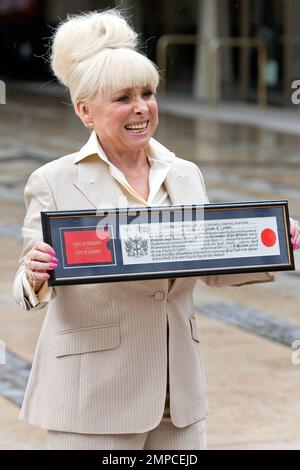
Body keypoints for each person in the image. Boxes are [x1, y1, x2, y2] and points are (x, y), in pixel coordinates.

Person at [13, 10, 300, 451]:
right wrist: (34, 274)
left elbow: (210, 263)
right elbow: (28, 281)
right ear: (85, 110)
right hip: (94, 396)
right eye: (123, 97)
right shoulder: (53, 181)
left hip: (178, 395)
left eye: (147, 93)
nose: (141, 107)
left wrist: (274, 243)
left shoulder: (185, 174)